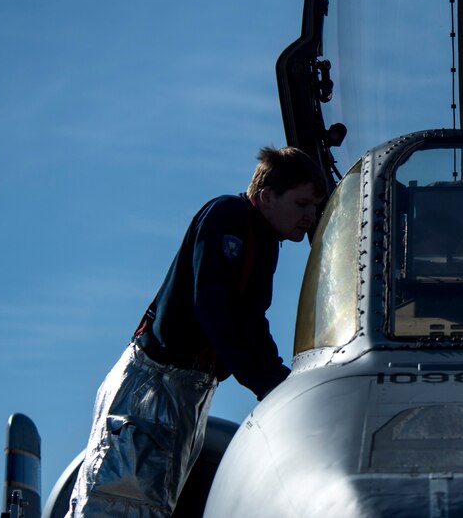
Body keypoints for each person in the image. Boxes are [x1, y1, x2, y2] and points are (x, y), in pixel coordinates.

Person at [66, 146, 326, 518]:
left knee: (155, 505)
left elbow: (252, 320)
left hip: (190, 392)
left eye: (314, 208)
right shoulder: (228, 216)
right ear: (267, 197)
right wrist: (264, 384)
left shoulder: (265, 241)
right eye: (302, 204)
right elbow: (214, 308)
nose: (310, 216)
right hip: (152, 388)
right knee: (118, 504)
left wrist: (281, 383)